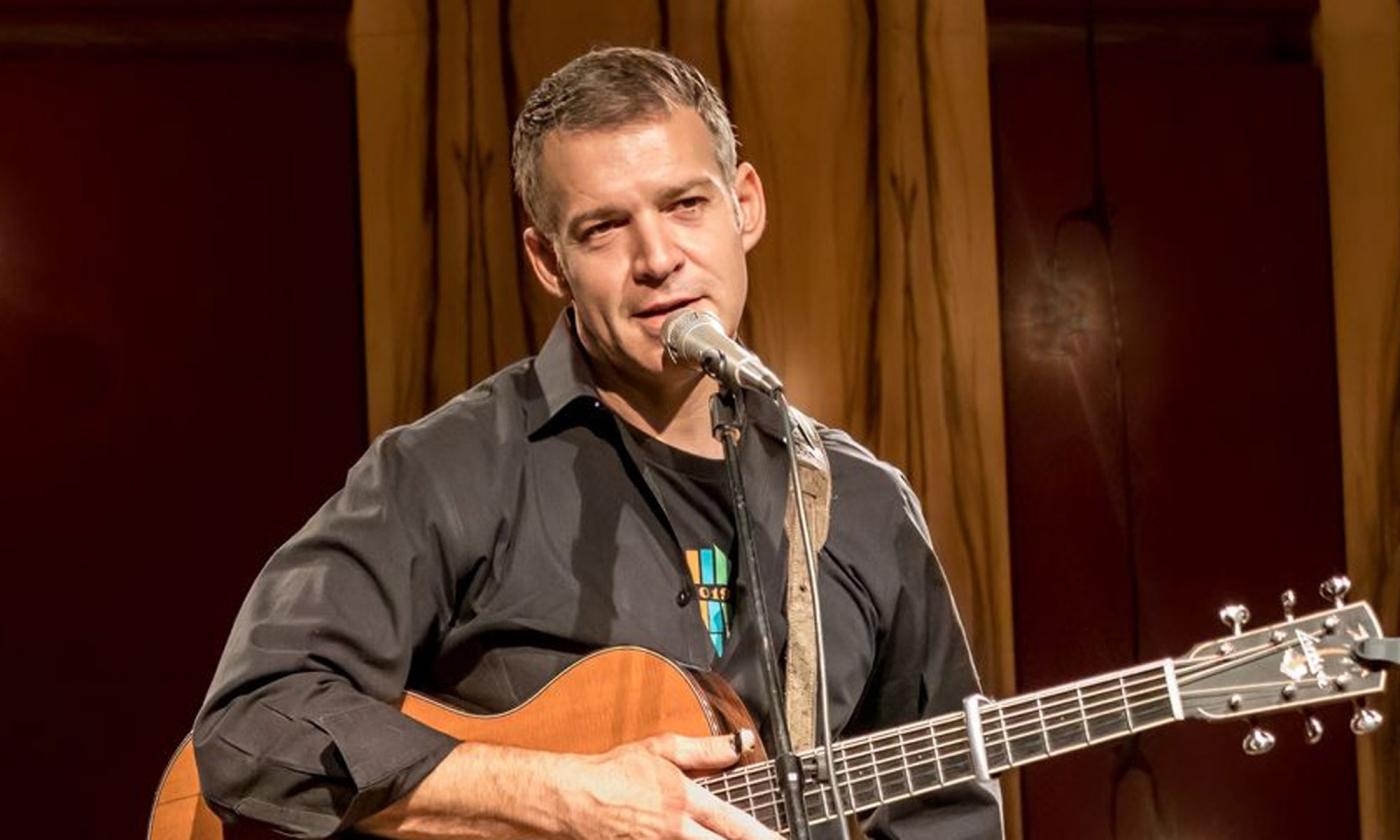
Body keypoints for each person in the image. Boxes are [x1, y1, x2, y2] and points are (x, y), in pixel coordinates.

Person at [192, 46, 1002, 840]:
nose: (658, 259)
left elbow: (947, 812)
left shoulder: (863, 503)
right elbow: (251, 726)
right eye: (605, 228)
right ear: (548, 260)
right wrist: (557, 796)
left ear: (744, 205)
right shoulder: (450, 471)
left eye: (686, 204)